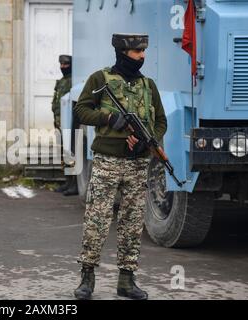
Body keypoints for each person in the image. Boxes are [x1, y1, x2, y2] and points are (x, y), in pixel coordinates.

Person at [72, 34, 167, 300]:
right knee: (97, 220)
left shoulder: (148, 85)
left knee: (132, 223)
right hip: (107, 162)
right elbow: (81, 110)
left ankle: (127, 280)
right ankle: (87, 278)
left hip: (137, 165)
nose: (142, 56)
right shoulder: (100, 79)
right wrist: (110, 118)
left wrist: (149, 141)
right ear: (123, 52)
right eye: (137, 52)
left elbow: (160, 120)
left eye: (143, 51)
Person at [51, 55, 78, 196]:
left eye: (66, 64)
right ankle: (68, 181)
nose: (63, 67)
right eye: (61, 64)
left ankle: (74, 184)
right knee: (63, 154)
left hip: (68, 124)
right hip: (60, 123)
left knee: (71, 153)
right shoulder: (62, 81)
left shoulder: (73, 81)